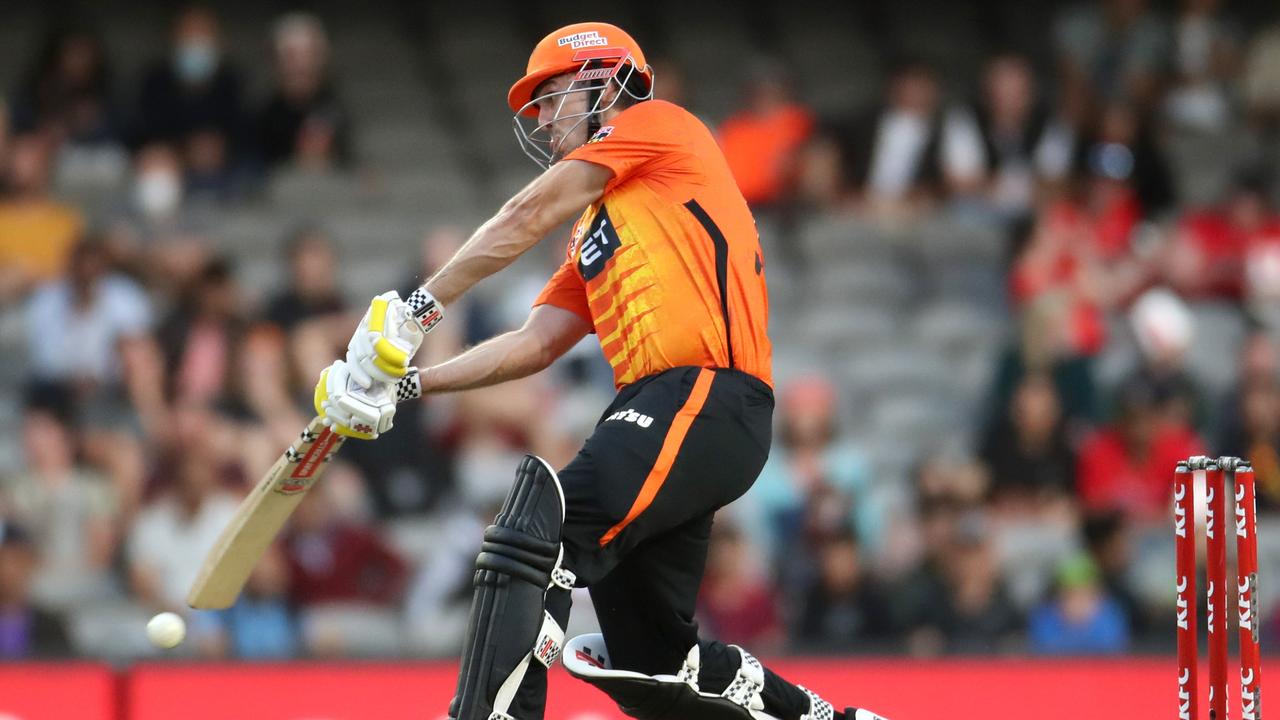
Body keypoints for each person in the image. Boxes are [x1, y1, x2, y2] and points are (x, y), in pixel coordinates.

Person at [308, 21, 887, 720]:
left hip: (703, 392)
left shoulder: (660, 124)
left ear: (603, 83)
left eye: (552, 97)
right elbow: (537, 340)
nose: (544, 119)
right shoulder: (597, 223)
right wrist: (412, 385)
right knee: (653, 666)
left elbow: (527, 211)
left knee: (536, 527)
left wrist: (416, 311)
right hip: (667, 411)